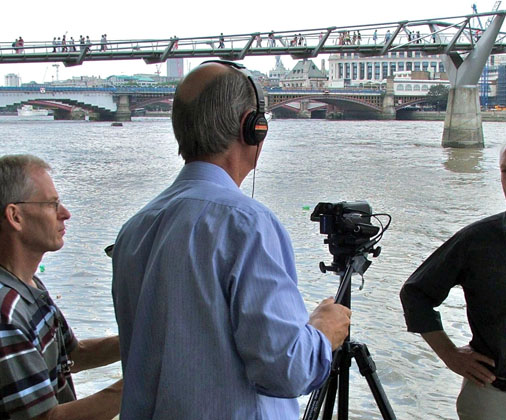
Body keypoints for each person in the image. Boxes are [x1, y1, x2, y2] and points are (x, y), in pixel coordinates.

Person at [111, 61, 351, 419]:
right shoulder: (247, 224)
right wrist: (323, 331)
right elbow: (286, 370)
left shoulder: (134, 228)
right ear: (251, 127)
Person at [400, 130, 506, 420]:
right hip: (488, 400)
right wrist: (449, 355)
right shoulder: (476, 241)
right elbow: (416, 293)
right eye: (505, 171)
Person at [0, 154, 122, 419]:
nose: (65, 213)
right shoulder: (6, 312)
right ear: (15, 216)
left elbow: (74, 355)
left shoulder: (28, 285)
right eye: (52, 204)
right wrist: (147, 378)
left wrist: (151, 339)